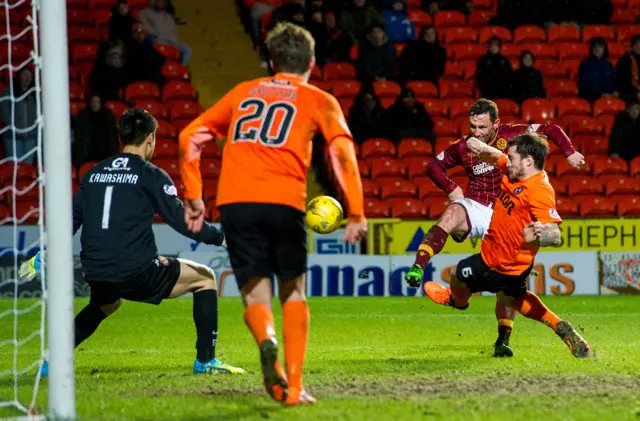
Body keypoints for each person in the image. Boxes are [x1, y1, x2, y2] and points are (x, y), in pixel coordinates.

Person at [178, 22, 367, 406]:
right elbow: (341, 152)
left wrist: (194, 196)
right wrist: (357, 212)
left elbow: (189, 137)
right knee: (293, 291)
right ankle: (294, 388)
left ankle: (266, 339)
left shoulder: (243, 92)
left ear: (270, 60)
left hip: (235, 201)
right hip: (284, 200)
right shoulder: (319, 99)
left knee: (254, 290)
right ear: (312, 62)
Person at [22, 108, 244, 377]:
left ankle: (52, 362)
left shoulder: (93, 173)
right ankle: (206, 361)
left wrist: (42, 254)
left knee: (105, 304)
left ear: (122, 137)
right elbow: (182, 221)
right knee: (205, 278)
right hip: (137, 271)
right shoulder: (150, 174)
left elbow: (68, 223)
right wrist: (220, 237)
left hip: (95, 270)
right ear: (150, 139)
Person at [404, 99, 584, 357]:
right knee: (512, 292)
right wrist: (457, 177)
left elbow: (555, 232)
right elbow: (481, 158)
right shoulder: (508, 165)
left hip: (506, 233)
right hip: (484, 211)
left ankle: (473, 314)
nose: (476, 131)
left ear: (497, 125)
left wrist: (569, 152)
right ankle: (419, 266)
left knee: (474, 278)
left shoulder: (534, 180)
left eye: (482, 127)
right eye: (472, 127)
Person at [0, 67, 38, 164]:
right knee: (14, 167)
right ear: (19, 76)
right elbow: (4, 113)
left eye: (29, 76)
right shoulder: (8, 92)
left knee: (27, 169)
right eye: (25, 75)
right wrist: (16, 128)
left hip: (30, 137)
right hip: (12, 137)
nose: (27, 78)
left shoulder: (35, 93)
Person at [72, 95, 120, 169]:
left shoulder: (108, 116)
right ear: (90, 103)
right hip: (87, 155)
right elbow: (80, 138)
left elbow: (112, 137)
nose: (95, 104)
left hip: (105, 153)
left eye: (97, 102)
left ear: (100, 104)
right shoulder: (83, 116)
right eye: (93, 102)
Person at [140, 0, 192, 65]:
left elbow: (171, 31)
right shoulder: (145, 13)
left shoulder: (168, 16)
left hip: (169, 42)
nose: (161, 4)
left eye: (163, 2)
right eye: (159, 1)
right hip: (155, 41)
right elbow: (145, 29)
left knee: (187, 50)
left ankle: (180, 68)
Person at [578, 38, 617, 103]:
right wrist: (600, 95)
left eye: (600, 47)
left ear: (604, 49)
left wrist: (615, 91)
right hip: (592, 96)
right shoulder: (585, 65)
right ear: (591, 49)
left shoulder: (609, 64)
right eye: (594, 47)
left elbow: (613, 80)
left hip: (608, 95)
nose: (597, 49)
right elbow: (585, 86)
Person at [615, 35, 640, 104]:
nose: (639, 46)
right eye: (636, 44)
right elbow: (624, 82)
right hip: (627, 91)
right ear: (632, 46)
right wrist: (636, 93)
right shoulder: (626, 59)